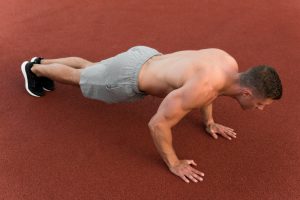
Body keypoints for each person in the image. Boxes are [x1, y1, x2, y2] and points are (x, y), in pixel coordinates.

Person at [20, 46, 282, 183]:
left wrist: (209, 121)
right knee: (81, 78)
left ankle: (44, 62)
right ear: (247, 92)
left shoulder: (227, 63)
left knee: (92, 68)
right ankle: (35, 70)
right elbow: (158, 124)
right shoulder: (205, 88)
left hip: (146, 56)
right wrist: (174, 163)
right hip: (128, 78)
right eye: (262, 104)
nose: (261, 109)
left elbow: (208, 89)